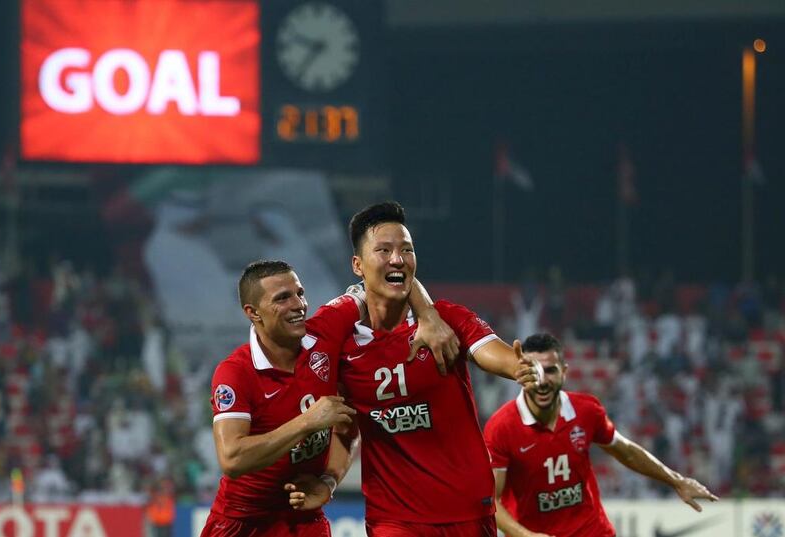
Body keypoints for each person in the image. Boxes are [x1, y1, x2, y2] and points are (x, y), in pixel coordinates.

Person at [290, 202, 539, 536]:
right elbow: (347, 431)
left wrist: (518, 366)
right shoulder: (342, 343)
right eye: (384, 250)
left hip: (467, 510)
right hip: (393, 517)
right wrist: (328, 481)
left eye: (406, 250)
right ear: (358, 265)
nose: (397, 258)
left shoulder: (445, 319)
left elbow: (490, 351)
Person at [202, 260, 456, 537]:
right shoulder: (235, 372)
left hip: (304, 519)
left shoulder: (327, 328)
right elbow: (232, 459)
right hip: (243, 522)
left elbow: (384, 280)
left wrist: (428, 315)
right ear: (253, 313)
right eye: (282, 298)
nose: (298, 305)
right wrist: (307, 422)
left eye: (299, 293)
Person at [484, 332, 719, 537]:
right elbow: (491, 501)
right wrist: (526, 536)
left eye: (551, 370)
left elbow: (624, 451)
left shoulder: (586, 411)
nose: (543, 380)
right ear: (521, 372)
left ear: (564, 372)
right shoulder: (502, 426)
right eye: (534, 371)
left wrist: (676, 481)